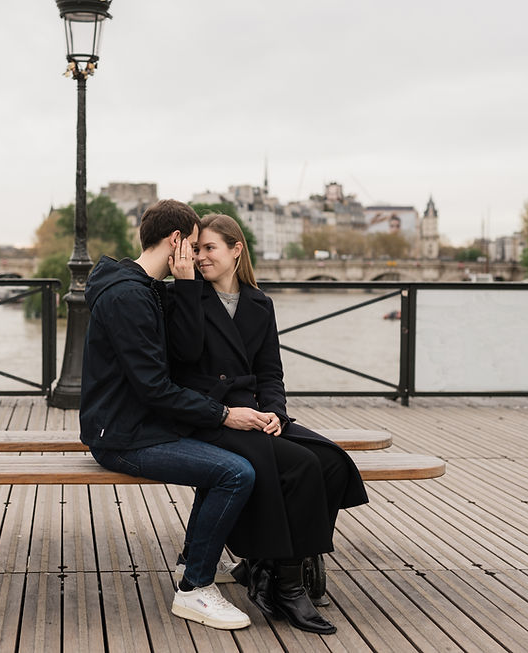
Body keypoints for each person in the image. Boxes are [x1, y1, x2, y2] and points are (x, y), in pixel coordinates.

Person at [165, 213, 369, 635]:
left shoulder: (260, 303)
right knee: (297, 465)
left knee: (329, 461)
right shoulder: (183, 296)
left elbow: (270, 371)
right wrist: (185, 285)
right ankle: (288, 587)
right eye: (196, 249)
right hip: (207, 415)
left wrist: (275, 411)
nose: (200, 257)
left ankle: (268, 566)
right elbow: (183, 358)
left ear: (236, 249)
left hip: (254, 412)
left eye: (209, 248)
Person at [80, 199, 279, 631]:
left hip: (141, 426)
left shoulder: (144, 288)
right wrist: (224, 414)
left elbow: (181, 357)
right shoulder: (129, 296)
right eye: (193, 243)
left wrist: (187, 284)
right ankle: (195, 589)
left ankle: (192, 562)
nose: (196, 254)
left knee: (224, 463)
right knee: (235, 473)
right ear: (176, 241)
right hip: (124, 436)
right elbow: (153, 387)